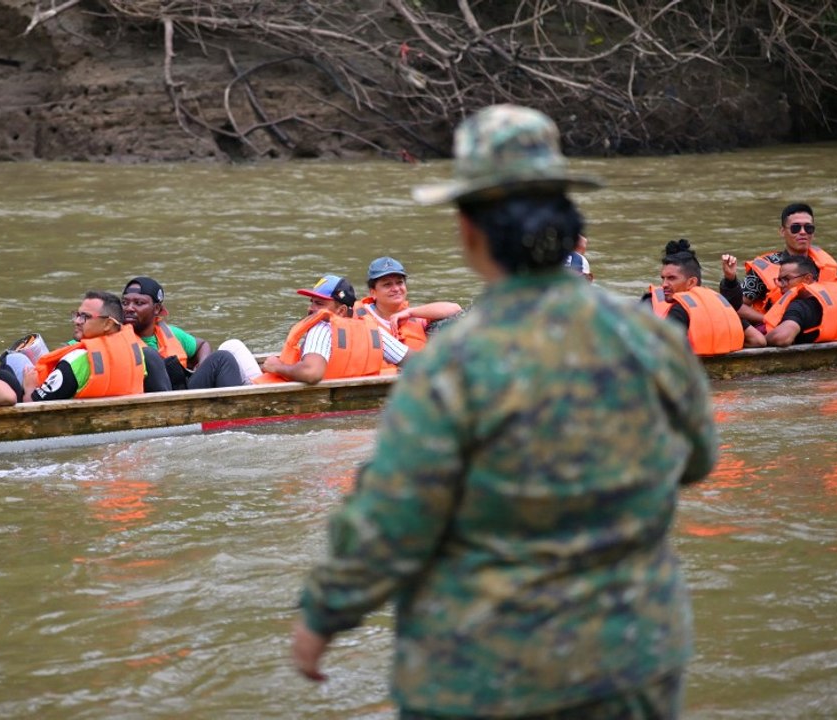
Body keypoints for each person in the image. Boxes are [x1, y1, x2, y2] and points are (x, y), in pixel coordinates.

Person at [291, 105, 717, 718]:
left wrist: (323, 615)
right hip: (631, 659)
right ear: (573, 231)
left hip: (486, 670)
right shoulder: (647, 338)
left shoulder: (452, 363)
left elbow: (393, 514)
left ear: (470, 231)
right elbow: (699, 460)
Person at [238, 274, 410, 385]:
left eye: (319, 303)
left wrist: (278, 367)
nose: (312, 308)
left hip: (279, 393)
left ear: (341, 310)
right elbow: (419, 363)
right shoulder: (374, 332)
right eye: (311, 302)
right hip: (349, 399)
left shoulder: (321, 327)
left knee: (229, 351)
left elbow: (312, 373)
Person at [3, 290, 148, 401]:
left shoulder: (74, 362)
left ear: (108, 324)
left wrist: (29, 389)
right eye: (77, 315)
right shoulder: (136, 352)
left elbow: (33, 407)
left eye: (85, 317)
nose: (77, 321)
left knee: (13, 358)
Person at [120, 276, 244, 390]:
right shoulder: (117, 338)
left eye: (139, 303)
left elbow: (202, 345)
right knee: (149, 355)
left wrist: (201, 364)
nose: (129, 308)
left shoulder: (171, 333)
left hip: (183, 395)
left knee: (223, 357)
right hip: (154, 404)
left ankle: (235, 410)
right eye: (125, 303)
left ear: (157, 309)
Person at [644, 239, 765, 354]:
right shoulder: (718, 306)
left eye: (671, 278)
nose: (664, 284)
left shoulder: (676, 309)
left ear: (691, 282)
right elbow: (758, 340)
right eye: (663, 278)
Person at [740, 203, 837, 326]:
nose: (803, 232)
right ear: (782, 231)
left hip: (819, 330)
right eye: (795, 228)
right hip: (778, 331)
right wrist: (767, 319)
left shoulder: (824, 265)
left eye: (808, 228)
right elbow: (737, 306)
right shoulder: (765, 266)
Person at [763, 255, 837, 346]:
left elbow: (782, 338)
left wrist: (762, 340)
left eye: (786, 279)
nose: (781, 285)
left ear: (807, 279)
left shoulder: (798, 307)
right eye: (779, 280)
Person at [353, 257, 462, 353]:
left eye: (399, 282)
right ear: (373, 292)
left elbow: (455, 308)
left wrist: (410, 312)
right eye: (387, 284)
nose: (396, 289)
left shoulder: (415, 315)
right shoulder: (357, 317)